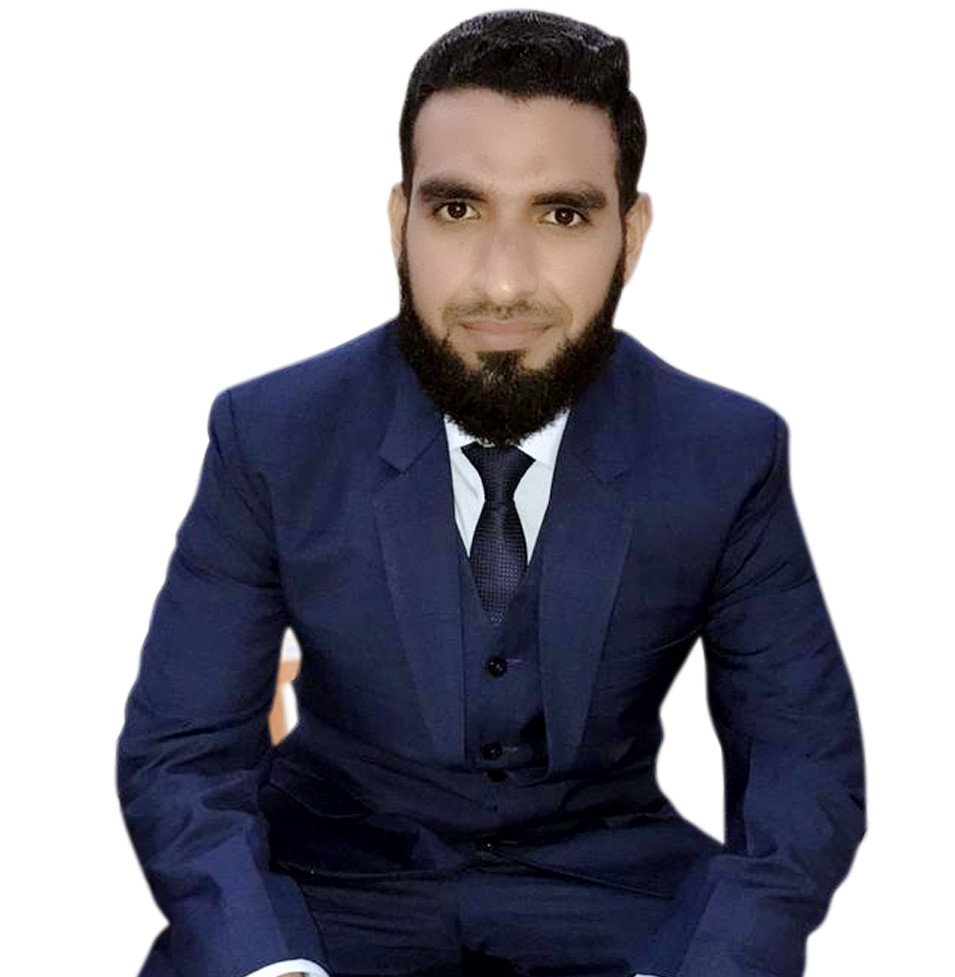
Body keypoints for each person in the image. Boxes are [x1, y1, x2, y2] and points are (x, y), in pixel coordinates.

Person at [117, 10, 866, 977]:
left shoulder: (725, 453)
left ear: (630, 234)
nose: (502, 282)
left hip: (612, 892)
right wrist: (266, 965)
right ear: (399, 221)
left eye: (561, 215)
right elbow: (184, 755)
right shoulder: (267, 436)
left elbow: (802, 769)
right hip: (323, 881)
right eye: (457, 210)